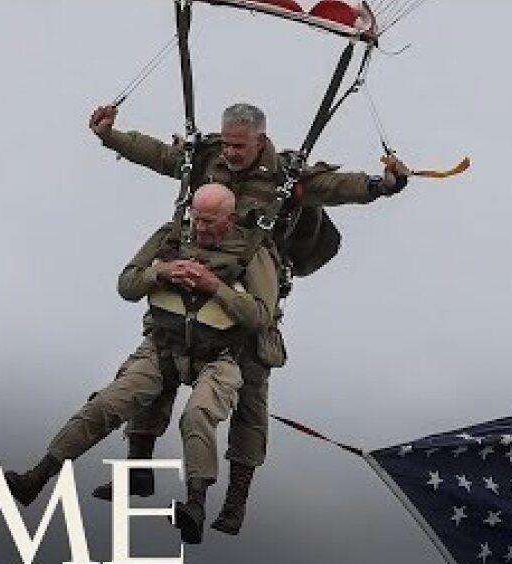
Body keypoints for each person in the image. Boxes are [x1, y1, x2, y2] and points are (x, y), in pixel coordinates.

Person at [87, 102, 411, 535]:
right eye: (228, 143)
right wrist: (112, 136)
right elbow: (161, 156)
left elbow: (336, 187)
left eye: (240, 145)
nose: (231, 153)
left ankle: (235, 501)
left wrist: (383, 185)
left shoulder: (287, 176)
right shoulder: (207, 157)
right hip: (193, 291)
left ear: (260, 140)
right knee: (155, 368)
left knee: (250, 401)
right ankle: (137, 470)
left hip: (251, 301)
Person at [4, 183, 278, 545]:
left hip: (220, 356)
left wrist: (216, 287)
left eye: (211, 223)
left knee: (197, 416)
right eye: (198, 220)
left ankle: (196, 503)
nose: (202, 230)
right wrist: (160, 273)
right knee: (107, 403)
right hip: (163, 347)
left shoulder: (253, 251)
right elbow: (127, 284)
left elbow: (261, 316)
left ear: (230, 219)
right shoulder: (171, 236)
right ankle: (37, 478)